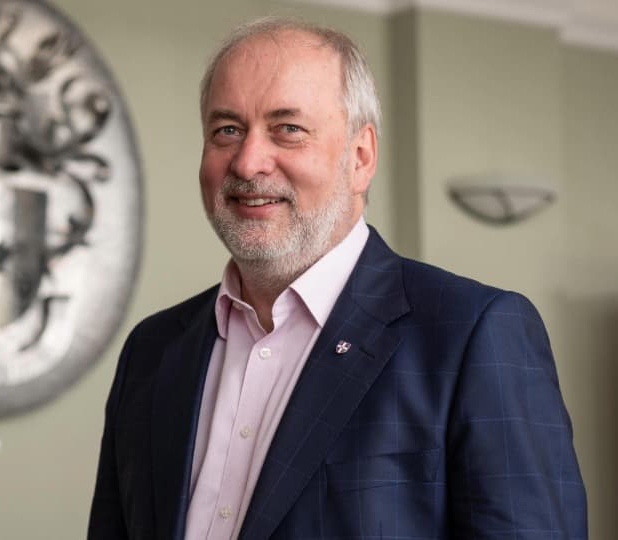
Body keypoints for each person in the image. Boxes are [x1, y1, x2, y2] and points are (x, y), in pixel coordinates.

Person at [89, 17, 586, 540]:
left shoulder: (471, 335)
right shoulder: (153, 350)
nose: (249, 160)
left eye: (288, 129)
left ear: (361, 157)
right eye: (227, 130)